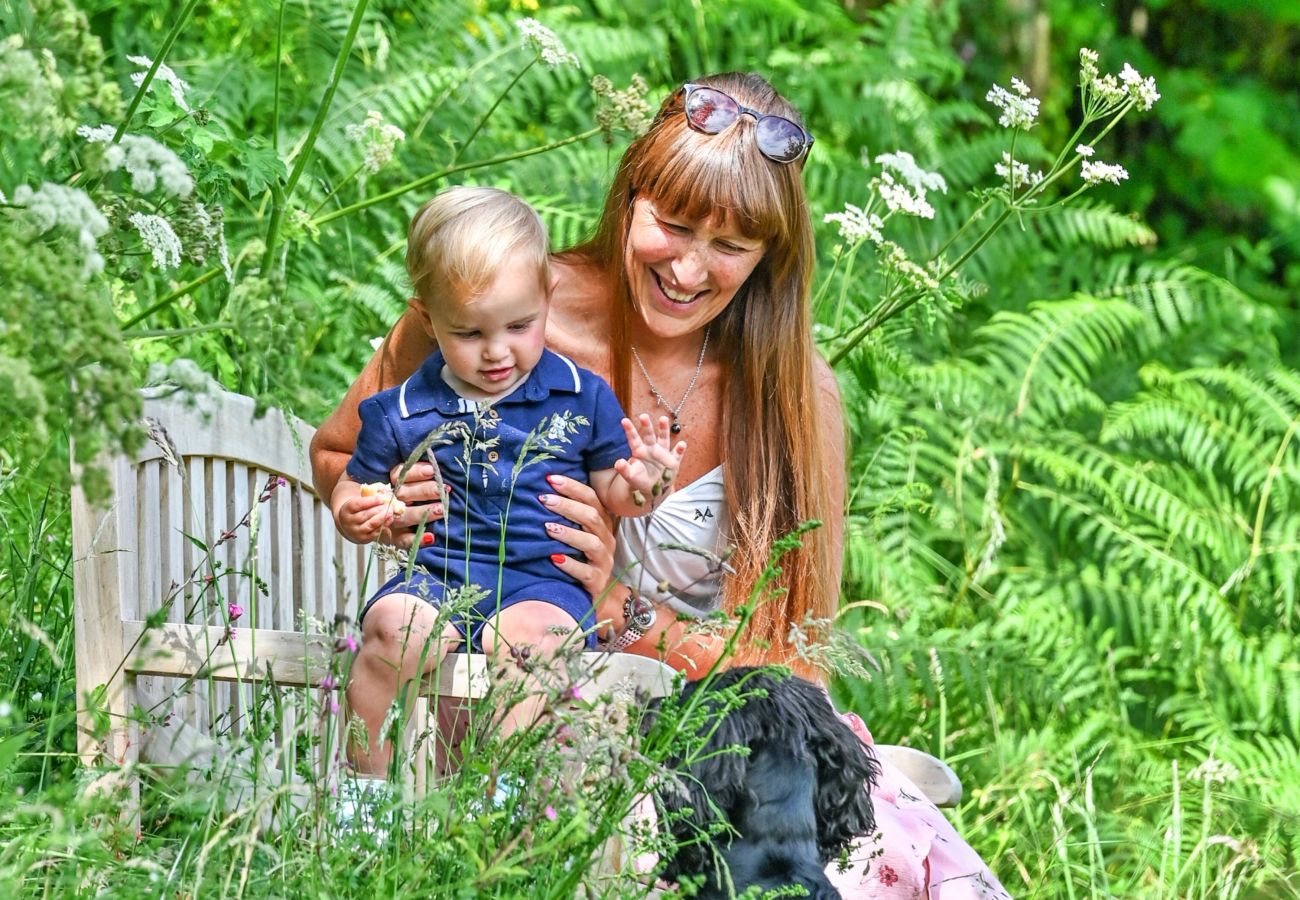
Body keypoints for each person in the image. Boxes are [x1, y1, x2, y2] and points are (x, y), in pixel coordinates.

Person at [312, 73, 1010, 898]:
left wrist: (616, 604)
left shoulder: (794, 392)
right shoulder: (492, 311)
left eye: (731, 246)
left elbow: (786, 666)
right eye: (671, 225)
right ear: (629, 198)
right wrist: (387, 504)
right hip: (506, 714)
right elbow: (337, 455)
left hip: (708, 745)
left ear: (769, 256)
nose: (687, 267)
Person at [332, 185, 685, 775]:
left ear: (548, 296)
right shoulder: (402, 410)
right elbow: (354, 484)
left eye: (520, 325)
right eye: (469, 334)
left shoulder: (581, 395)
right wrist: (355, 509)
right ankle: (367, 809)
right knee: (389, 631)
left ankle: (496, 808)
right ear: (426, 318)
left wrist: (647, 481)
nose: (496, 352)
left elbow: (616, 495)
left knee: (528, 645)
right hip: (438, 577)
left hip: (539, 584)